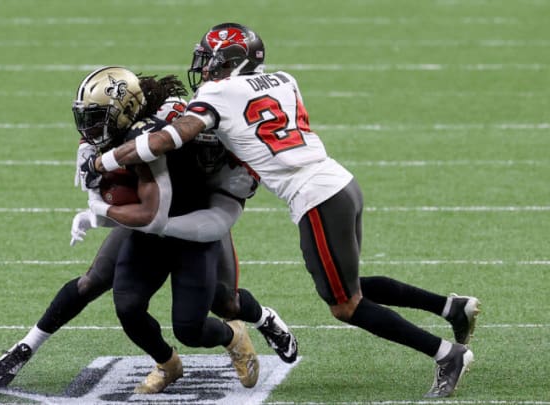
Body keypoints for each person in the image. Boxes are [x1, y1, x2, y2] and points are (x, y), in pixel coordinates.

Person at [83, 23, 481, 398]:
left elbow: (170, 138)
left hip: (315, 198)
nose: (204, 69)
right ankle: (452, 308)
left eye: (211, 60)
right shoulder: (284, 80)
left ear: (233, 61)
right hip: (340, 182)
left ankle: (447, 354)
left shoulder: (217, 95)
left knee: (345, 305)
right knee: (348, 283)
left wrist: (105, 163)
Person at [0, 66, 297, 393]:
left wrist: (103, 211)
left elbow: (167, 215)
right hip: (147, 222)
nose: (90, 128)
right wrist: (98, 191)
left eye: (97, 118)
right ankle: (163, 362)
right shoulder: (132, 127)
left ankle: (255, 325)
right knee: (113, 295)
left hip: (199, 220)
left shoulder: (216, 153)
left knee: (219, 307)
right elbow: (105, 172)